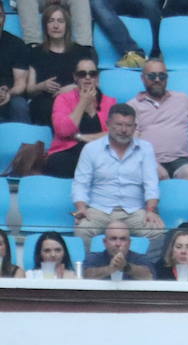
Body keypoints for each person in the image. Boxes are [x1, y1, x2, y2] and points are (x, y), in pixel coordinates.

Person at [72, 102, 163, 245]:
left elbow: (151, 183)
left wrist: (151, 210)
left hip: (134, 211)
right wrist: (82, 208)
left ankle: (146, 267)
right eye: (119, 125)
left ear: (135, 127)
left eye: (128, 125)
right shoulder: (91, 149)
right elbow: (80, 184)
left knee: (157, 231)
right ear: (108, 124)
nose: (124, 130)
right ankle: (89, 268)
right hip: (99, 209)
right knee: (82, 229)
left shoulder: (145, 148)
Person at [130, 58, 188, 182]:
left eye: (162, 76)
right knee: (156, 174)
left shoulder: (182, 99)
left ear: (167, 78)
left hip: (180, 161)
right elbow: (131, 142)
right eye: (152, 76)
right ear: (143, 78)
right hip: (149, 160)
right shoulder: (133, 106)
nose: (157, 79)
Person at [23, 3, 92, 128]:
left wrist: (74, 87)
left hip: (75, 99)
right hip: (45, 102)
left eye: (60, 21)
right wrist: (42, 86)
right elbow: (30, 90)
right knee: (45, 107)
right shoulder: (35, 52)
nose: (56, 26)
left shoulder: (82, 52)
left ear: (67, 26)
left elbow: (93, 84)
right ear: (45, 26)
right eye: (51, 21)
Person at [42, 55, 108, 178]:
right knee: (57, 162)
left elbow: (113, 134)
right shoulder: (63, 99)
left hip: (99, 153)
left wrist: (81, 137)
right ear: (75, 77)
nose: (87, 77)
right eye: (82, 74)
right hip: (69, 153)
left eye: (92, 73)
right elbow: (63, 131)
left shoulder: (109, 102)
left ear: (97, 77)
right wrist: (82, 103)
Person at [81, 219, 154, 280]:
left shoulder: (140, 258)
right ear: (105, 242)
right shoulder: (93, 257)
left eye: (123, 239)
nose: (118, 244)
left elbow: (149, 276)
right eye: (113, 239)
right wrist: (110, 269)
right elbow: (84, 275)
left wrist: (126, 267)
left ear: (129, 243)